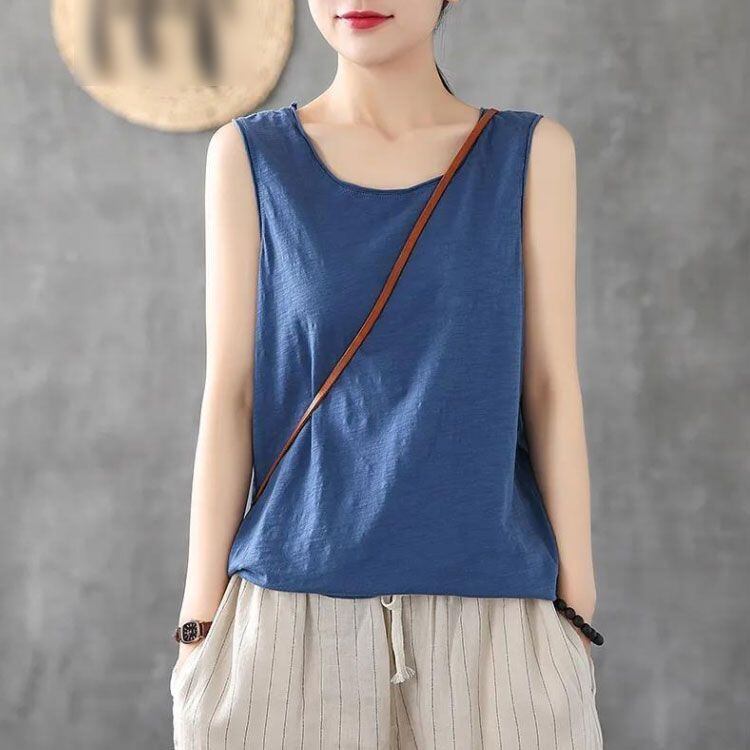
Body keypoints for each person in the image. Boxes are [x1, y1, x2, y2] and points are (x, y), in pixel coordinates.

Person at [169, 1, 603, 747]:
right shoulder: (249, 155)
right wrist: (198, 621)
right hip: (288, 616)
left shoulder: (530, 153)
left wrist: (577, 600)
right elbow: (231, 393)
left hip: (496, 614)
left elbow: (549, 387)